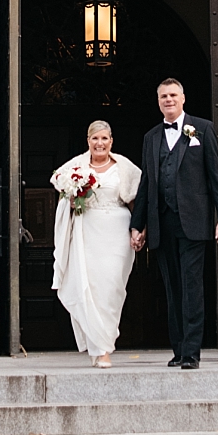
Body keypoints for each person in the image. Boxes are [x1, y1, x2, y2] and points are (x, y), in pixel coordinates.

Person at [130, 79, 218, 370]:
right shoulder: (151, 137)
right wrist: (137, 227)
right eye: (163, 96)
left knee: (191, 287)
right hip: (162, 224)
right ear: (158, 100)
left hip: (194, 222)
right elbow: (146, 183)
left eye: (173, 95)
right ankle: (178, 350)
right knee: (172, 290)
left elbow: (216, 177)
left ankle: (192, 352)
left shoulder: (203, 128)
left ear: (183, 98)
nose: (168, 100)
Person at [50, 121, 142, 368]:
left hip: (116, 233)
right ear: (88, 141)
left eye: (104, 139)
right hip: (86, 232)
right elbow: (60, 187)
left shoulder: (124, 166)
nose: (99, 144)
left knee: (111, 289)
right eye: (95, 139)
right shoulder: (76, 166)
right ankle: (101, 349)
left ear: (111, 141)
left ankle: (103, 341)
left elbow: (135, 201)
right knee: (88, 286)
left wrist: (138, 230)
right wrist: (70, 200)